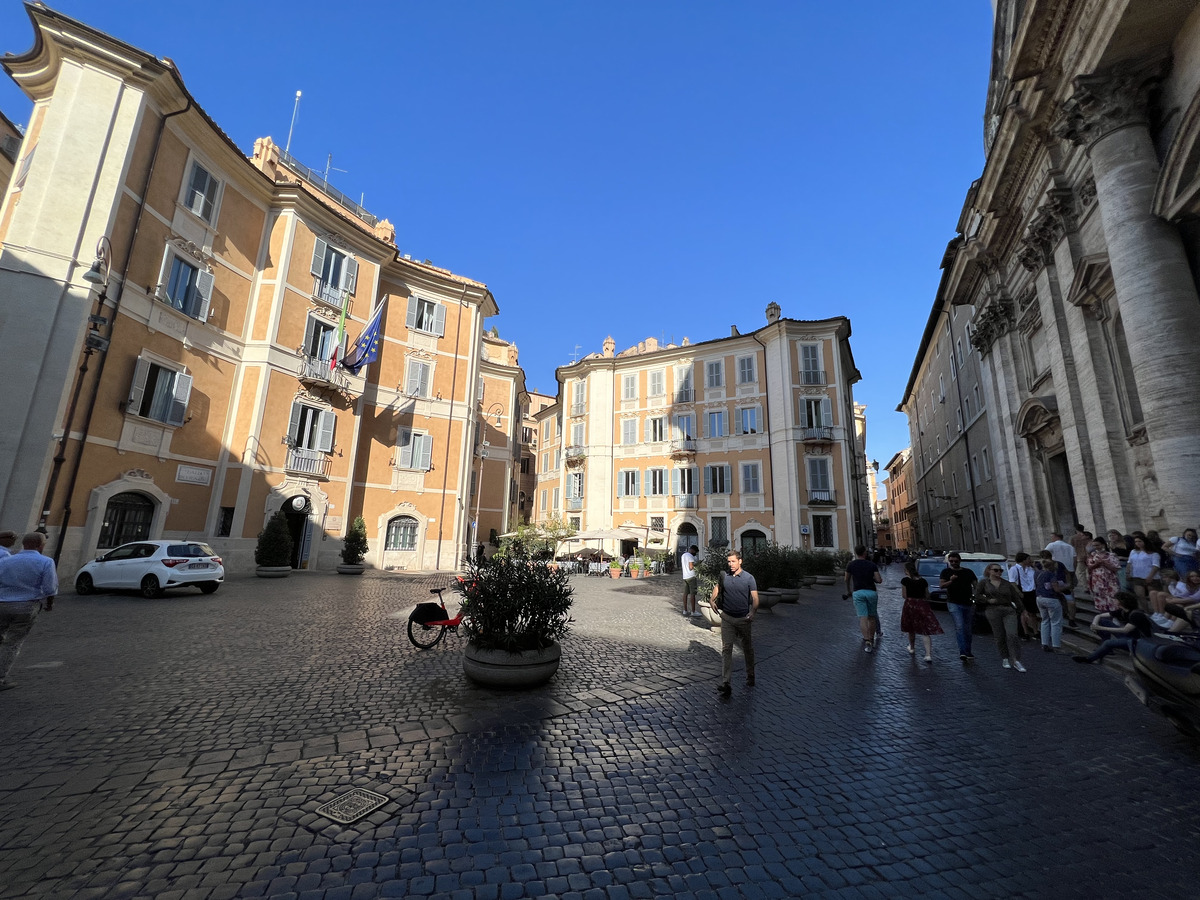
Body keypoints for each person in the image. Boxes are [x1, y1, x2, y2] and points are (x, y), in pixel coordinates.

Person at [0, 532, 58, 691]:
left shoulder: (6, 560)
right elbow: (50, 588)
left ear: (23, 544)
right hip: (26, 605)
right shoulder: (45, 562)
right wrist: (49, 604)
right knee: (12, 643)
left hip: (2, 603)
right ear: (40, 546)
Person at [709, 550, 757, 696]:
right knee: (727, 648)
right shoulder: (725, 576)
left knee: (747, 649)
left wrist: (753, 612)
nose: (730, 564)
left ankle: (750, 675)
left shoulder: (749, 578)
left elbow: (755, 598)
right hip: (728, 618)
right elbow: (718, 587)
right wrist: (712, 600)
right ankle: (726, 683)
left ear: (740, 561)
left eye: (733, 561)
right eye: (729, 562)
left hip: (743, 619)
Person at [1073, 591, 1152, 664]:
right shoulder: (1122, 611)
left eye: (1115, 600)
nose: (1114, 601)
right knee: (1103, 621)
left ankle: (1089, 659)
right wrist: (1094, 624)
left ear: (1121, 602)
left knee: (1109, 643)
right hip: (1128, 636)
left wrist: (1100, 628)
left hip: (1137, 641)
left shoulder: (1136, 614)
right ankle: (1107, 649)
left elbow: (1125, 630)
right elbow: (1099, 615)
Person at [975, 562, 1027, 671]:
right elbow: (977, 595)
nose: (999, 572)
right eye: (996, 570)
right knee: (999, 635)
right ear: (989, 571)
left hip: (1008, 610)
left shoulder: (1006, 584)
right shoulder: (984, 582)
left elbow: (1016, 598)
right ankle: (1005, 658)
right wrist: (987, 600)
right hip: (992, 610)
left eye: (1000, 570)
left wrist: (1021, 610)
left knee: (1012, 635)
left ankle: (1016, 660)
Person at [900, 559, 942, 663]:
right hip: (922, 604)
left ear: (906, 571)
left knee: (911, 628)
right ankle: (928, 654)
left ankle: (912, 647)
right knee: (925, 630)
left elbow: (904, 596)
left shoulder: (905, 581)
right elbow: (927, 595)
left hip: (910, 604)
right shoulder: (923, 581)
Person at [940, 552, 978, 662]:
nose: (953, 563)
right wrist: (951, 581)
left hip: (968, 603)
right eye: (951, 561)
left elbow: (976, 585)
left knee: (968, 629)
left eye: (955, 561)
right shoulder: (946, 572)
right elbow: (941, 585)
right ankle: (962, 652)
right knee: (960, 627)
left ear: (959, 561)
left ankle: (968, 651)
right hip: (953, 603)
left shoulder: (968, 572)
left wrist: (976, 596)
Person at [844, 544, 882, 653]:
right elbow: (879, 580)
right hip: (871, 592)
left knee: (863, 618)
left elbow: (846, 579)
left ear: (856, 553)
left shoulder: (851, 564)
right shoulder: (871, 565)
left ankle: (866, 640)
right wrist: (874, 580)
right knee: (872, 617)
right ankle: (871, 638)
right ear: (865, 553)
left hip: (858, 592)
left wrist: (848, 590)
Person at [1035, 550, 1068, 652]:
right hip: (1051, 599)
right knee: (1055, 622)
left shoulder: (1037, 573)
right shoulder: (1051, 574)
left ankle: (1044, 643)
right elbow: (1056, 589)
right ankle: (1056, 645)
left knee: (1044, 621)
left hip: (1039, 598)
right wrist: (1066, 587)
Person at [1045, 531, 1077, 624]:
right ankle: (1071, 614)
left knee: (1057, 594)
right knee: (1069, 593)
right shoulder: (1069, 546)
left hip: (1056, 572)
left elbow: (1044, 555)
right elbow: (1075, 559)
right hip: (1069, 571)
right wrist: (1073, 569)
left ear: (1055, 537)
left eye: (1052, 537)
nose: (1051, 538)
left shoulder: (1051, 545)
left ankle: (1064, 612)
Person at [1007, 553, 1038, 639]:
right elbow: (1012, 582)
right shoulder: (1014, 569)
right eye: (1028, 559)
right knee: (1024, 613)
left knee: (1033, 613)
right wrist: (1018, 592)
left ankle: (1036, 632)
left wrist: (1034, 566)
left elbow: (1036, 576)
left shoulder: (1030, 569)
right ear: (1023, 560)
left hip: (1032, 592)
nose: (1030, 560)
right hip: (1022, 592)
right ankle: (1025, 632)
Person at [1126, 535, 1161, 611]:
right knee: (1140, 595)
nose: (1137, 543)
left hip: (1150, 576)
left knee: (1153, 596)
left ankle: (1157, 611)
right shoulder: (1133, 551)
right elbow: (1129, 563)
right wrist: (1128, 573)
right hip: (1137, 576)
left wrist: (1150, 576)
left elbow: (1156, 566)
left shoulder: (1153, 553)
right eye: (1136, 542)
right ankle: (1146, 611)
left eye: (1139, 541)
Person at [1086, 537, 1121, 613]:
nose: (1096, 547)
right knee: (1100, 597)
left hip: (1110, 580)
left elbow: (1116, 568)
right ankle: (1103, 614)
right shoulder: (1092, 555)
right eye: (1094, 546)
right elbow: (1089, 567)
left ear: (1103, 545)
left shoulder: (1111, 555)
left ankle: (1115, 615)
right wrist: (1097, 564)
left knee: (1113, 597)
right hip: (1097, 580)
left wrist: (1105, 564)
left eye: (1097, 545)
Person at [1070, 524, 1092, 591]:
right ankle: (1091, 585)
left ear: (1076, 530)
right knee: (1089, 571)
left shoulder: (1073, 537)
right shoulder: (1087, 536)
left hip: (1079, 556)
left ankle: (1086, 587)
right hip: (1089, 555)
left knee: (1081, 572)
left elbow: (1071, 547)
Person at [680, 545, 699, 617]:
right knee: (692, 594)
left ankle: (685, 610)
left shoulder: (683, 555)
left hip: (685, 576)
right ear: (693, 550)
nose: (695, 553)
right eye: (695, 552)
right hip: (691, 576)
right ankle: (693, 611)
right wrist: (697, 564)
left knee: (685, 594)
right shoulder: (690, 556)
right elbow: (691, 567)